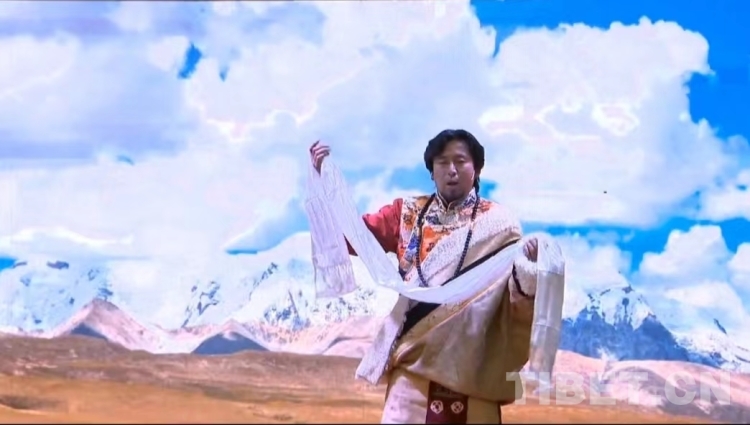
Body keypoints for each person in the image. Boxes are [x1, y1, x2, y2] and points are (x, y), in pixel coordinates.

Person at [309, 129, 539, 424]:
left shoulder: (500, 226)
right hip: (412, 375)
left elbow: (514, 303)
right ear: (431, 171)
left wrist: (528, 273)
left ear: (477, 168)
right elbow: (351, 238)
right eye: (442, 162)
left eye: (460, 161)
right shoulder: (405, 214)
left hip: (476, 374)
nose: (451, 170)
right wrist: (325, 184)